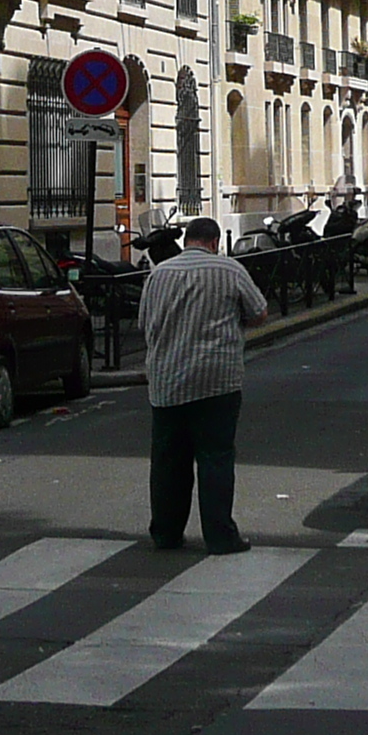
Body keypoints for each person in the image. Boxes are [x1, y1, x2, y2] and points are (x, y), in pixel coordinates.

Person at [138, 216, 269, 552]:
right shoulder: (230, 270)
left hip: (167, 381)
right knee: (215, 457)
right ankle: (220, 535)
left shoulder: (159, 274)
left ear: (186, 241)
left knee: (168, 461)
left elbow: (143, 323)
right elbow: (259, 312)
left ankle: (165, 533)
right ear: (214, 242)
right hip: (217, 381)